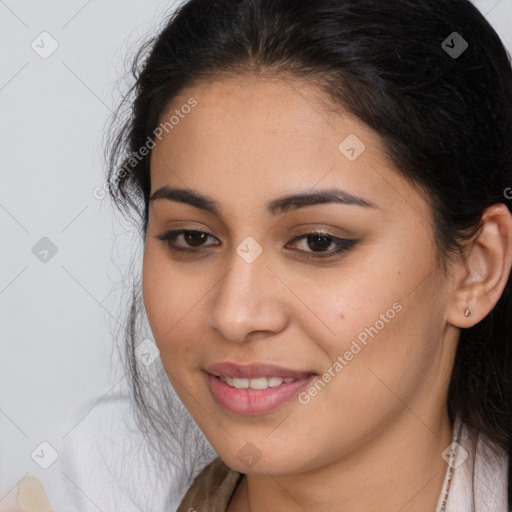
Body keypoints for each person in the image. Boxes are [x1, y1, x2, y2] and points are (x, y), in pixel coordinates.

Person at [101, 0, 512, 510]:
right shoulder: (83, 489)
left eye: (319, 241)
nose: (235, 315)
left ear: (477, 267)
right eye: (193, 237)